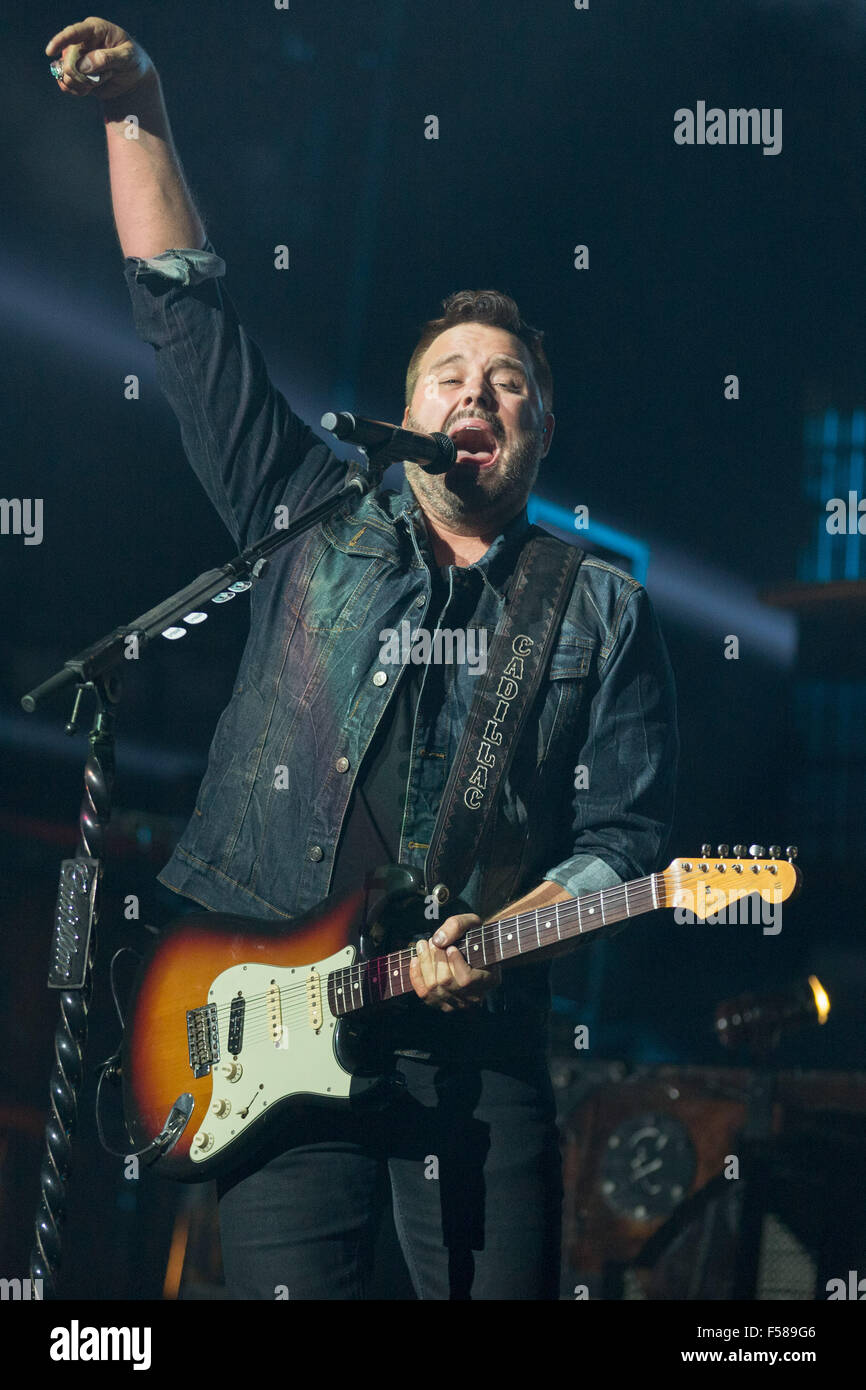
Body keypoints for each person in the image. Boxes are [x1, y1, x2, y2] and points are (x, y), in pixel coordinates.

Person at [47, 18, 679, 1299]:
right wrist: (137, 109)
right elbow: (186, 311)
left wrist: (497, 935)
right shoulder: (310, 514)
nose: (477, 395)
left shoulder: (601, 607)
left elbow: (622, 839)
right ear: (407, 417)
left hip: (474, 1039)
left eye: (509, 384)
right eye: (450, 374)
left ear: (539, 432)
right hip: (265, 1016)